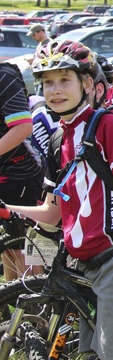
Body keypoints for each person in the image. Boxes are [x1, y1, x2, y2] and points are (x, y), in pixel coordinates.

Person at [6, 39, 113, 360]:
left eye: (65, 80)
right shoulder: (61, 137)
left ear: (87, 83)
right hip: (86, 265)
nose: (55, 90)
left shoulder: (107, 124)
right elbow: (53, 212)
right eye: (47, 82)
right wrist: (7, 210)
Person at [0, 62, 45, 282]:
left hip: (20, 173)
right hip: (4, 171)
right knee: (6, 247)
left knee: (22, 247)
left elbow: (23, 127)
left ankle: (34, 308)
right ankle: (12, 300)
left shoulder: (4, 77)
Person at [27, 23, 52, 95]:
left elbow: (51, 62)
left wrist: (35, 61)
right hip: (39, 79)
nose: (33, 37)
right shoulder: (40, 44)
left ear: (41, 32)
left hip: (45, 79)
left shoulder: (50, 44)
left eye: (34, 35)